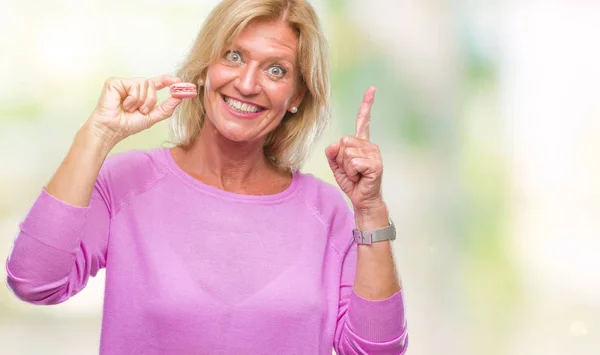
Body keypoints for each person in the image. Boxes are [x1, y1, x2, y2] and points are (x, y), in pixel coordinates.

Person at [5, 0, 408, 354]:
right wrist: (97, 134)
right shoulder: (126, 182)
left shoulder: (327, 212)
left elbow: (375, 351)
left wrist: (370, 209)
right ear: (204, 68)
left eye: (275, 70)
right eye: (233, 56)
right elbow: (35, 282)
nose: (247, 84)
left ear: (297, 96)